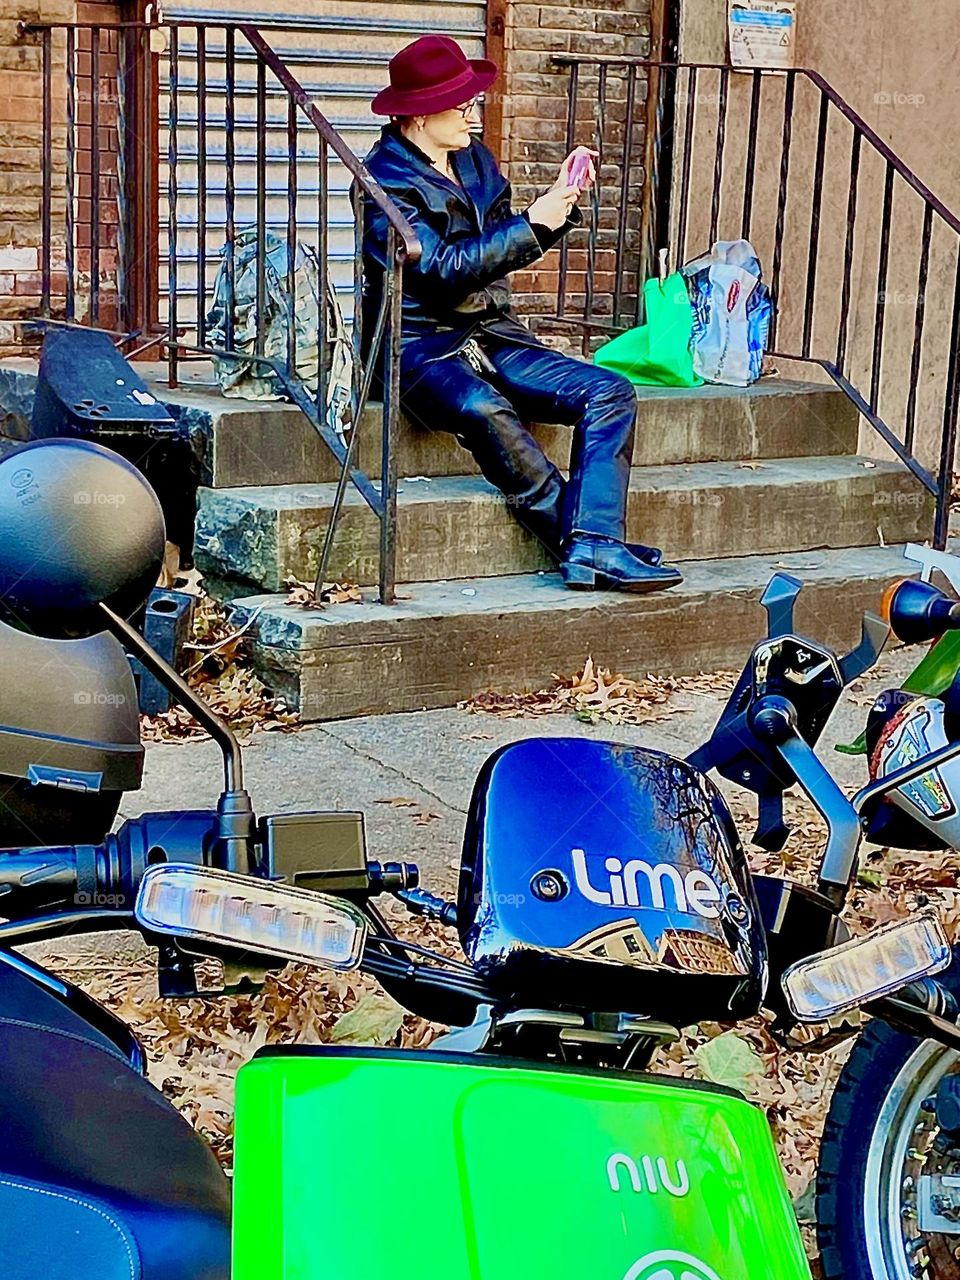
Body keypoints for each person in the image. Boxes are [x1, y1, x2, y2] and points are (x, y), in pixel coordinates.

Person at [359, 34, 681, 593]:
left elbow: (503, 245)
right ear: (419, 113)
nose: (472, 111)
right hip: (417, 346)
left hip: (488, 331)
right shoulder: (382, 180)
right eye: (460, 104)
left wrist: (558, 205)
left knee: (610, 392)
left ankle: (596, 541)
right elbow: (436, 270)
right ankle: (582, 542)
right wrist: (534, 221)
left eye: (472, 101)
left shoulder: (476, 161)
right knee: (484, 407)